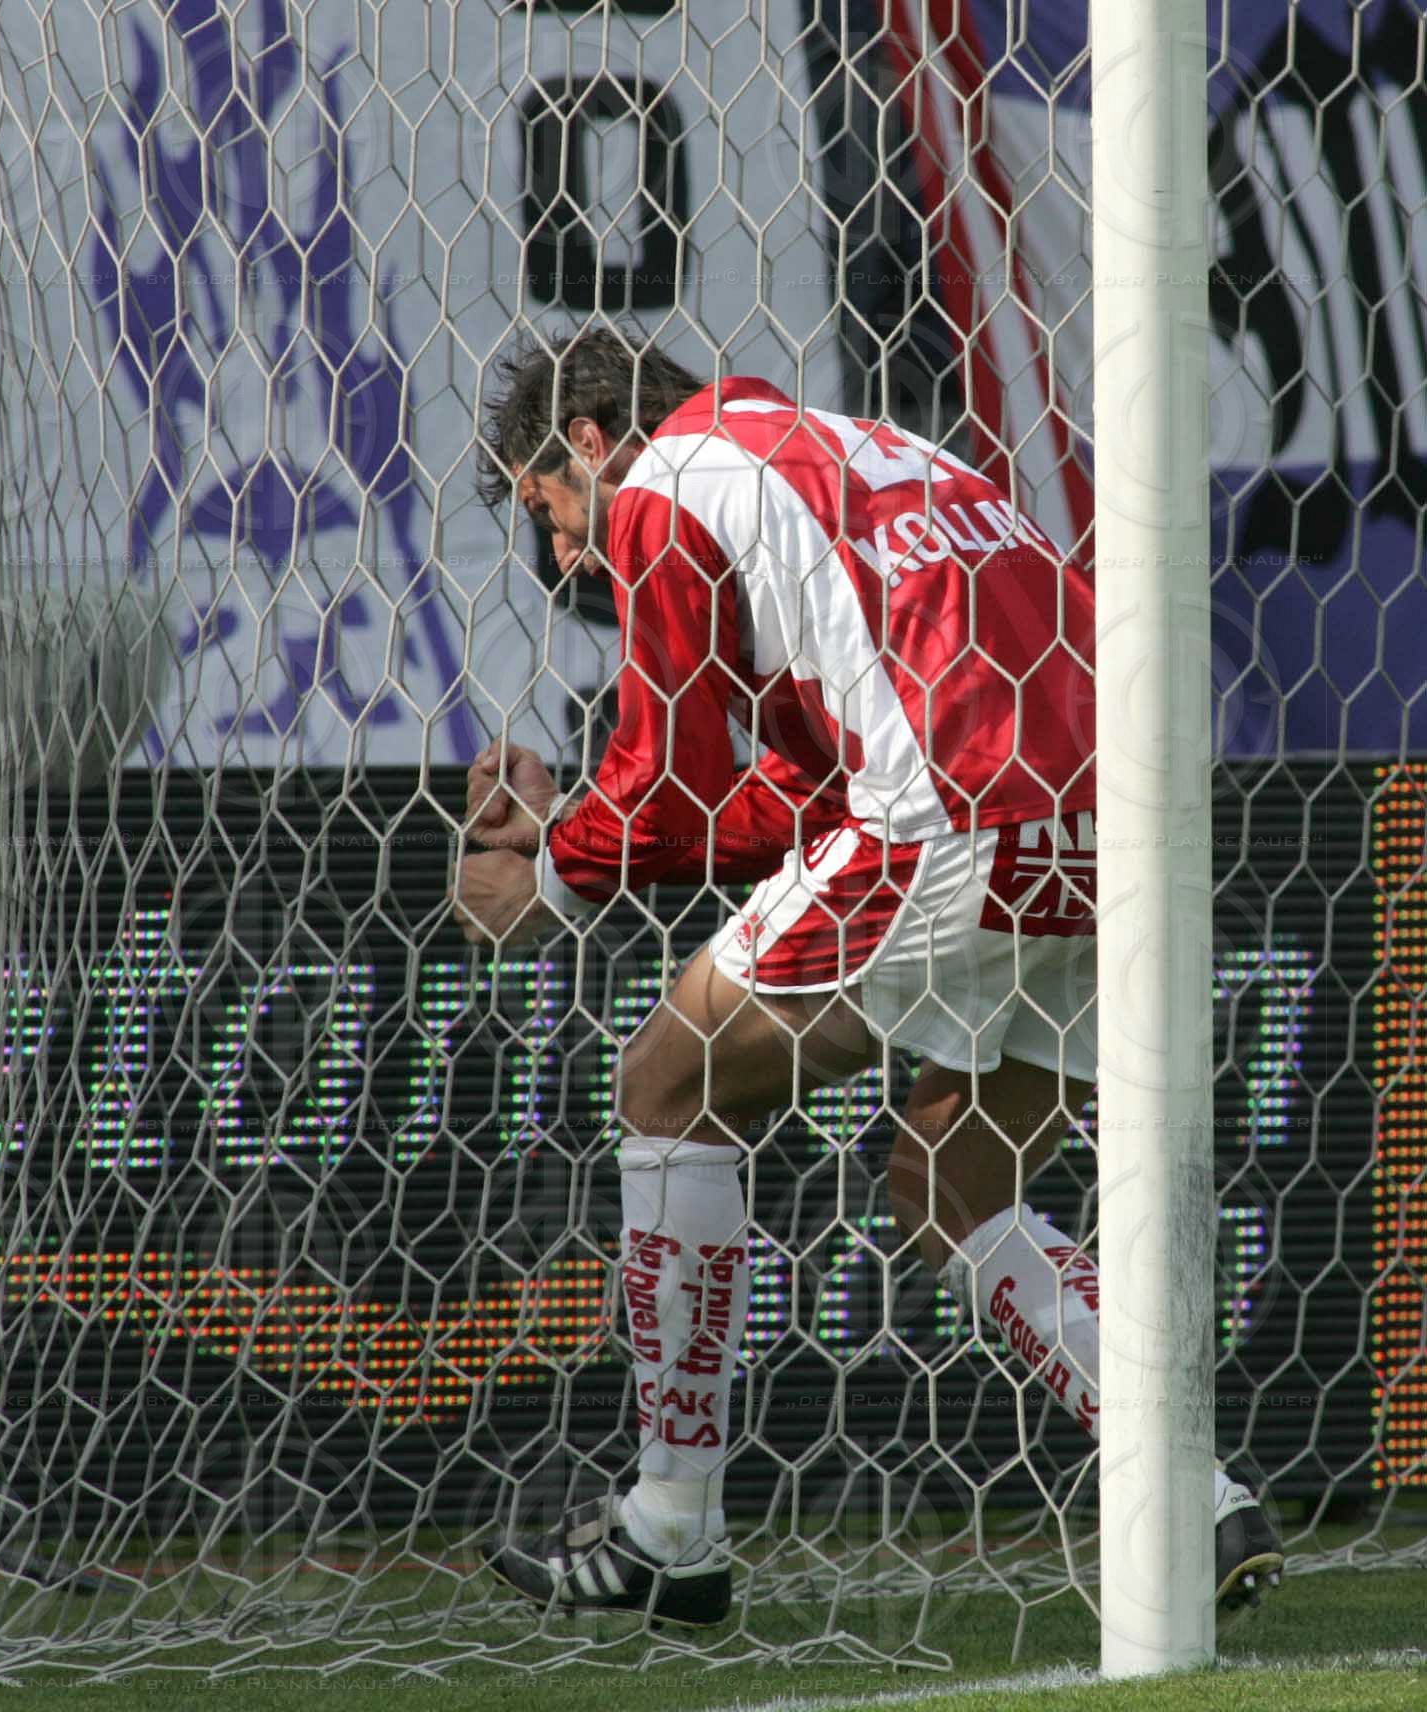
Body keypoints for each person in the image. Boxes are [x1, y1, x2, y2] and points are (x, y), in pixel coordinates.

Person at [455, 323, 1282, 1626]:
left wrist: (547, 872)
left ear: (593, 442)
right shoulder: (861, 451)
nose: (561, 554)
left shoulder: (670, 483)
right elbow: (791, 796)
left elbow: (667, 783)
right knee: (954, 1181)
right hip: (1123, 828)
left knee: (665, 1082)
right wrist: (574, 835)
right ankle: (1194, 1488)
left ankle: (672, 1526)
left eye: (545, 510)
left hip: (947, 820)